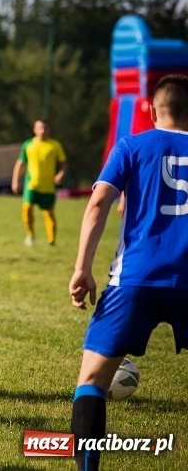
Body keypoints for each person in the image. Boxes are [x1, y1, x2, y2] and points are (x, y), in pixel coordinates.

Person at [68, 74, 188, 471]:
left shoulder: (132, 145)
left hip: (134, 278)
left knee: (91, 380)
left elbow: (99, 201)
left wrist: (82, 268)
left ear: (152, 110)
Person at [11, 119, 67, 246]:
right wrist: (15, 181)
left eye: (45, 128)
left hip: (48, 186)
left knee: (49, 213)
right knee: (27, 209)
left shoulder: (55, 145)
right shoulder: (28, 145)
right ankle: (30, 235)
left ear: (49, 130)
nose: (42, 131)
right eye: (40, 128)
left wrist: (61, 173)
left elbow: (63, 163)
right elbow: (20, 163)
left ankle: (52, 241)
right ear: (34, 129)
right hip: (31, 184)